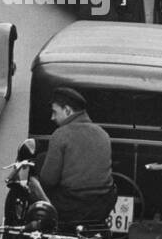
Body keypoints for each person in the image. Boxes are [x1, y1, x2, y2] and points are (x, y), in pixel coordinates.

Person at [39, 87, 116, 228]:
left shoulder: (61, 135)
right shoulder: (103, 134)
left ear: (68, 111)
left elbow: (48, 180)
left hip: (72, 208)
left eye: (55, 112)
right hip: (103, 205)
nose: (52, 117)